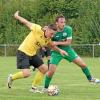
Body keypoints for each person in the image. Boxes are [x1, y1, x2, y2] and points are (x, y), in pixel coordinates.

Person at [31, 15, 100, 92]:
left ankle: (91, 79)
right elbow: (47, 40)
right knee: (51, 72)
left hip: (68, 50)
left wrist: (56, 42)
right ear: (56, 23)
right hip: (56, 52)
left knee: (83, 64)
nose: (63, 24)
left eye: (64, 22)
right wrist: (44, 31)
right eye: (61, 22)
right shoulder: (53, 30)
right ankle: (45, 88)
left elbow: (68, 42)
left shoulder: (68, 29)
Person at [7, 11, 68, 89]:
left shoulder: (48, 39)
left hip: (32, 54)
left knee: (44, 68)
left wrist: (60, 51)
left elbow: (52, 46)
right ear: (47, 30)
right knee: (27, 74)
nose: (52, 36)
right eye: (51, 33)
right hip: (23, 52)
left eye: (54, 34)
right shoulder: (37, 28)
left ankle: (34, 88)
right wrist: (17, 16)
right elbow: (26, 22)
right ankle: (11, 77)